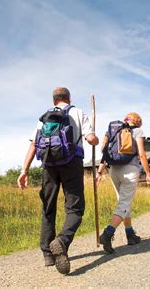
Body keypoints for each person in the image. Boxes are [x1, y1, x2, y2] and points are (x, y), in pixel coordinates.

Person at [17, 87, 98, 275]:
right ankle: (61, 242)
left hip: (48, 165)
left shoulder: (44, 117)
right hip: (72, 163)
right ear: (69, 98)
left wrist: (24, 170)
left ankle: (47, 253)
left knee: (48, 207)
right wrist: (94, 139)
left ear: (54, 100)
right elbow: (91, 138)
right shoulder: (78, 112)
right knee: (75, 208)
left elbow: (34, 144)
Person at [95, 112, 150, 254]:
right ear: (138, 122)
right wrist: (148, 173)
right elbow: (141, 153)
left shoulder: (114, 130)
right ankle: (107, 234)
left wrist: (99, 171)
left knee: (123, 203)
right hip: (130, 170)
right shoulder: (137, 131)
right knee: (124, 205)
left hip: (114, 170)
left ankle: (130, 234)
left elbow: (105, 153)